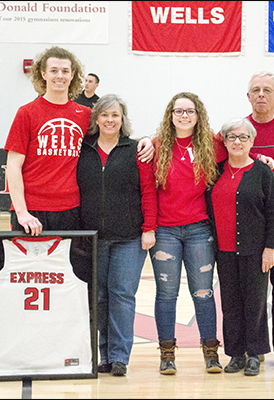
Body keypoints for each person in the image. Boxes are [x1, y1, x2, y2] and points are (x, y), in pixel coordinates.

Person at [214, 71, 274, 369]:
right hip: (249, 231)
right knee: (247, 294)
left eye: (267, 90)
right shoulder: (236, 131)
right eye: (255, 90)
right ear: (248, 96)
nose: (261, 95)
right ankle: (245, 350)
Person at [5, 46, 153, 236]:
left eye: (65, 71)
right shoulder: (26, 113)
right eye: (54, 70)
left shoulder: (85, 115)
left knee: (68, 266)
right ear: (43, 74)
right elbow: (13, 165)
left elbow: (113, 136)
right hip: (32, 210)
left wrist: (148, 139)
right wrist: (21, 212)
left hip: (71, 210)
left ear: (73, 74)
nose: (60, 76)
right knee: (31, 267)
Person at [76, 94, 157, 376]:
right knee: (98, 297)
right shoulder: (82, 149)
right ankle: (104, 355)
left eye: (116, 115)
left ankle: (120, 357)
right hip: (92, 238)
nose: (110, 120)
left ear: (123, 120)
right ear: (96, 119)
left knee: (122, 294)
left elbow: (148, 191)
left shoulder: (136, 150)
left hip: (129, 238)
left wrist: (149, 228)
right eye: (105, 115)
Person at [150, 92, 221, 375]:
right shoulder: (155, 145)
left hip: (198, 230)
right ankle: (167, 355)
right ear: (170, 115)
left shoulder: (212, 144)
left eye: (189, 111)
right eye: (178, 111)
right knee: (166, 294)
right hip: (165, 230)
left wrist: (260, 157)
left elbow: (240, 151)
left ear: (198, 115)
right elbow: (147, 189)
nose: (183, 116)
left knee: (203, 293)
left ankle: (211, 353)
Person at [207, 117, 274, 377]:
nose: (237, 142)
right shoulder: (215, 171)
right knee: (230, 304)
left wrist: (270, 248)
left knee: (255, 303)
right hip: (223, 252)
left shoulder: (263, 172)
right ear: (225, 141)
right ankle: (236, 354)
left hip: (255, 251)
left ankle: (255, 353)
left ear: (252, 141)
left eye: (243, 137)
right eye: (232, 137)